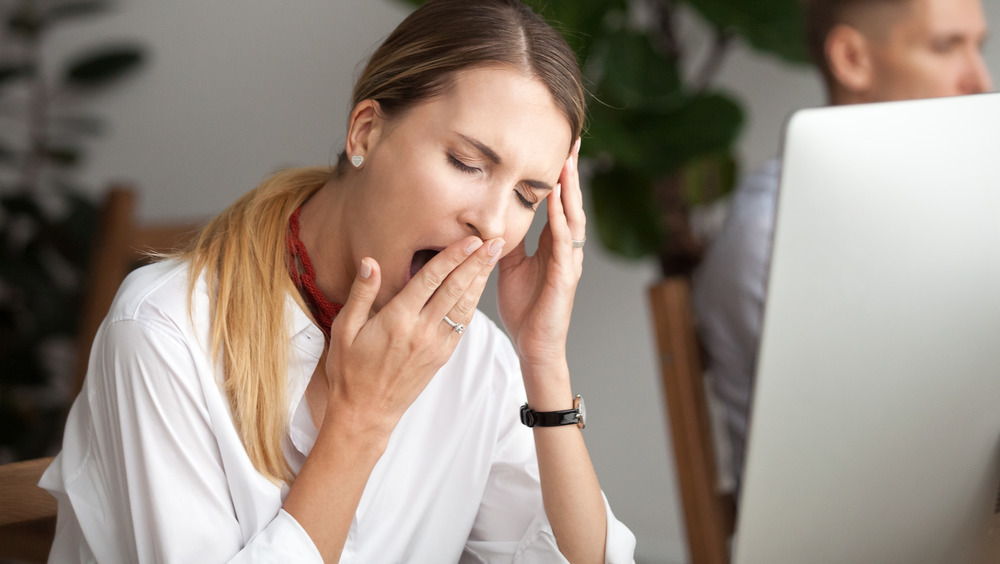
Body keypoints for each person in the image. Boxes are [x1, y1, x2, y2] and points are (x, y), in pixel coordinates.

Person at [39, 1, 637, 561]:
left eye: (526, 196)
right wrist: (361, 420)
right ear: (365, 132)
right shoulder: (163, 333)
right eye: (466, 163)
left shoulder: (477, 359)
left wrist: (544, 361)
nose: (490, 220)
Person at [693, 0, 992, 494]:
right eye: (945, 47)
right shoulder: (774, 233)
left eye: (978, 48)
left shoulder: (967, 205)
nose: (979, 82)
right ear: (852, 58)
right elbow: (886, 453)